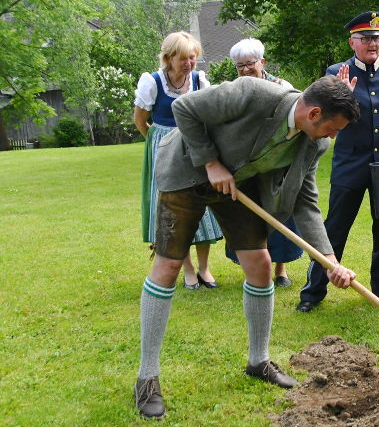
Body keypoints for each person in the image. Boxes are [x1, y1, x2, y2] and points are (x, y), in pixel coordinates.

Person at [133, 75, 360, 419]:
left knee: (260, 264)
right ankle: (147, 377)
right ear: (314, 114)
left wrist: (329, 260)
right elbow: (184, 108)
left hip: (236, 184)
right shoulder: (254, 93)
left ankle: (259, 361)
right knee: (168, 265)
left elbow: (305, 199)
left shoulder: (315, 143)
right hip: (188, 170)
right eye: (332, 128)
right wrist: (210, 162)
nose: (334, 136)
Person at [299, 11, 379, 312]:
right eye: (365, 38)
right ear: (352, 42)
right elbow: (325, 121)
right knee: (333, 231)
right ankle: (312, 292)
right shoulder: (335, 72)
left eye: (376, 38)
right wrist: (344, 95)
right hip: (350, 165)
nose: (372, 43)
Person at [133, 31, 222, 290]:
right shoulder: (152, 82)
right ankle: (189, 270)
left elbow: (208, 114)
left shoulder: (199, 80)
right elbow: (140, 121)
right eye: (183, 58)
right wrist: (159, 142)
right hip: (164, 150)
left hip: (195, 148)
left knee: (202, 208)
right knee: (175, 210)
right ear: (168, 58)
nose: (189, 64)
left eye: (192, 58)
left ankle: (205, 268)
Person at [224, 38, 303, 287]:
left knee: (279, 213)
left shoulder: (283, 87)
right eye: (239, 66)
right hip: (244, 165)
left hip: (277, 161)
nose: (245, 70)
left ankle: (281, 269)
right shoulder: (232, 90)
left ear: (262, 62)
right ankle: (256, 267)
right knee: (248, 216)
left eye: (249, 63)